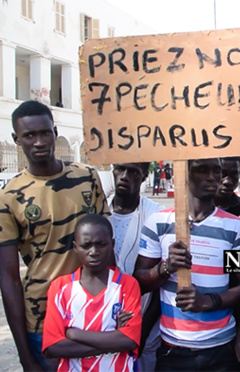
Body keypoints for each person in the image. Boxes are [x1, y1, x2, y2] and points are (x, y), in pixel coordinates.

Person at [0, 100, 109, 371]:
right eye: (29, 135)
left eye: (44, 132)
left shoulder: (87, 177)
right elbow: (9, 278)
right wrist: (24, 355)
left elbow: (108, 248)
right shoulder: (8, 198)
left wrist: (114, 303)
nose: (39, 141)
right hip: (43, 318)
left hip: (93, 312)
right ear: (17, 139)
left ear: (54, 131)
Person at [134, 158, 240, 371]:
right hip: (172, 348)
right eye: (202, 169)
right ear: (184, 174)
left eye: (217, 170)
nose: (212, 177)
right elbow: (138, 282)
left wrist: (208, 301)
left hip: (221, 348)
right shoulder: (159, 222)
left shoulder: (235, 227)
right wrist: (165, 268)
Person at [42, 214, 142, 371]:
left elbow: (130, 341)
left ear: (112, 244)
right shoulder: (60, 288)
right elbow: (53, 348)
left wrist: (74, 334)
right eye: (86, 245)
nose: (94, 251)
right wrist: (114, 339)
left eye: (101, 244)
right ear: (75, 247)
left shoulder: (127, 285)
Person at [108, 162, 164, 371]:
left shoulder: (157, 215)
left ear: (144, 176)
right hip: (101, 323)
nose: (124, 176)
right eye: (120, 169)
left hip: (146, 319)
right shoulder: (98, 211)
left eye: (132, 172)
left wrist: (143, 329)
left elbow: (162, 282)